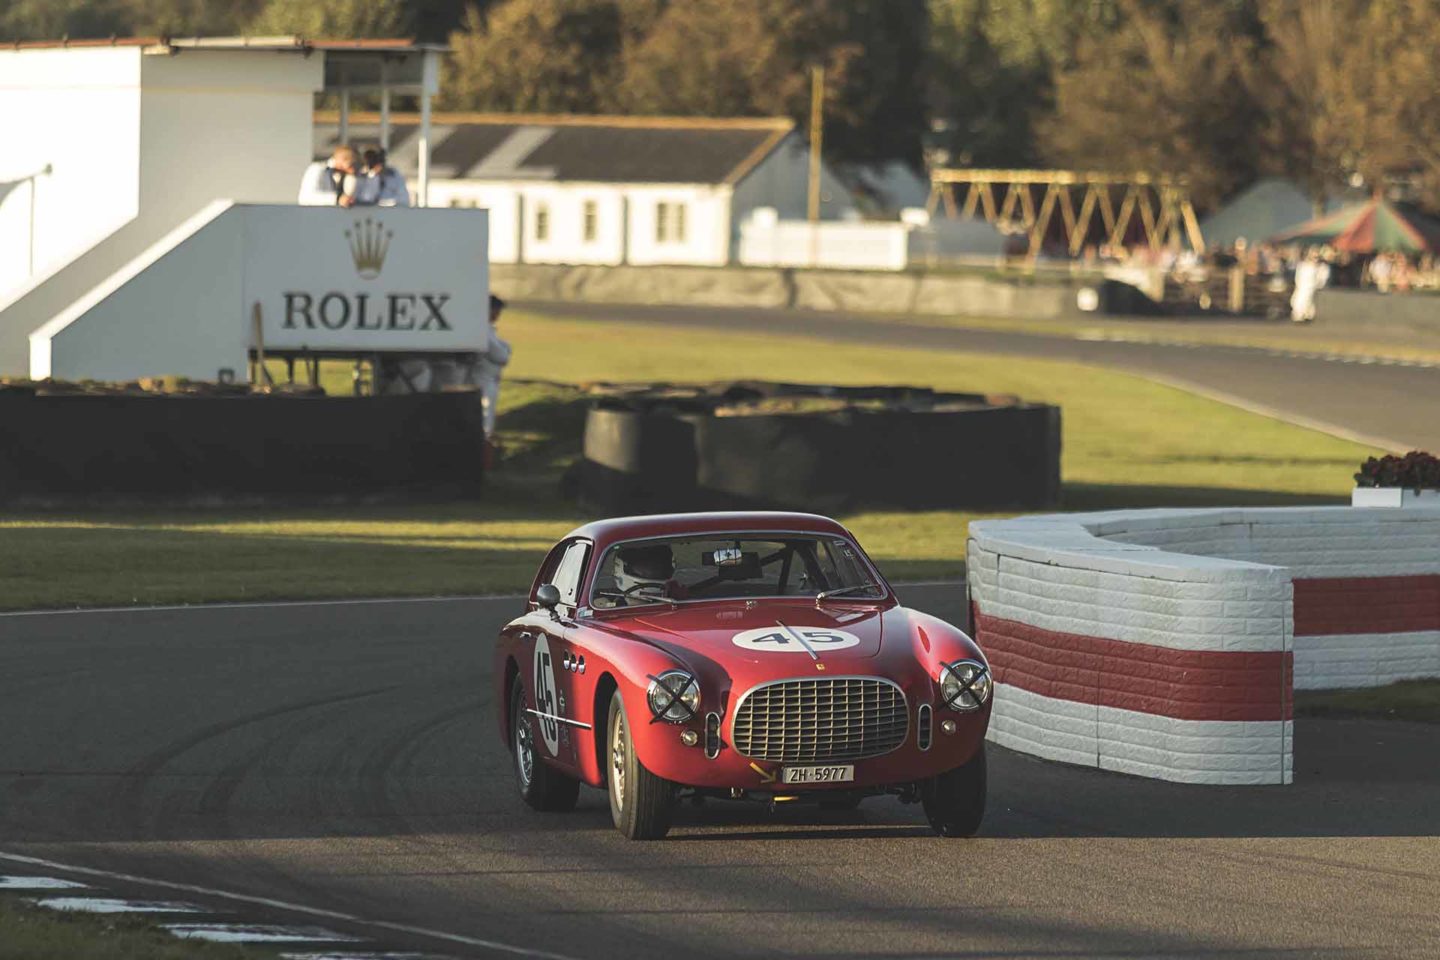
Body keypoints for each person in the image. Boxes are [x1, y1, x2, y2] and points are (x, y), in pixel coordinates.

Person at [476, 294, 512, 437]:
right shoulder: (482, 330)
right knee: (485, 418)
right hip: (482, 380)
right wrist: (507, 348)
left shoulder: (488, 330)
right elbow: (501, 356)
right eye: (495, 310)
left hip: (488, 379)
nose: (498, 314)